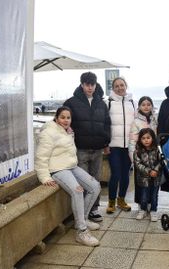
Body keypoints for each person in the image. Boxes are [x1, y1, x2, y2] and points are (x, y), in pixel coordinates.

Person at [35, 106, 101, 247]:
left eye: (68, 118)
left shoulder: (68, 132)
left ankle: (83, 219)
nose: (66, 120)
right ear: (56, 118)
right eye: (62, 117)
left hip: (71, 166)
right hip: (57, 169)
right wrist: (45, 177)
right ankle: (81, 232)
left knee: (95, 186)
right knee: (77, 191)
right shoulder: (49, 132)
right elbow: (41, 157)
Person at [63, 72, 111, 223]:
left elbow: (106, 124)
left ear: (96, 85)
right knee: (83, 182)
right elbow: (63, 122)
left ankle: (94, 209)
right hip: (80, 149)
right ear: (82, 85)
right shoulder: (71, 102)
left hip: (97, 149)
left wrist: (106, 142)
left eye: (92, 85)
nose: (90, 87)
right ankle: (82, 211)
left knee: (95, 181)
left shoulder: (101, 103)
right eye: (87, 84)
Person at [106, 77, 136, 214]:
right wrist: (105, 144)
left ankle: (121, 200)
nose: (119, 88)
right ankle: (111, 201)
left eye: (122, 85)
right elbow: (104, 125)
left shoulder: (133, 103)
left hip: (129, 146)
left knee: (125, 175)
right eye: (116, 86)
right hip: (114, 146)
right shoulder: (109, 103)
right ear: (113, 88)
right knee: (115, 174)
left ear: (126, 86)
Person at [133, 128, 162, 221]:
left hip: (156, 177)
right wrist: (149, 171)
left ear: (153, 138)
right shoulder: (137, 151)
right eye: (143, 138)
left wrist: (155, 170)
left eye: (148, 137)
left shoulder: (157, 150)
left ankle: (153, 211)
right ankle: (143, 209)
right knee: (144, 195)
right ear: (140, 140)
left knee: (154, 195)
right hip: (143, 178)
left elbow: (161, 161)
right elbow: (138, 165)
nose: (146, 140)